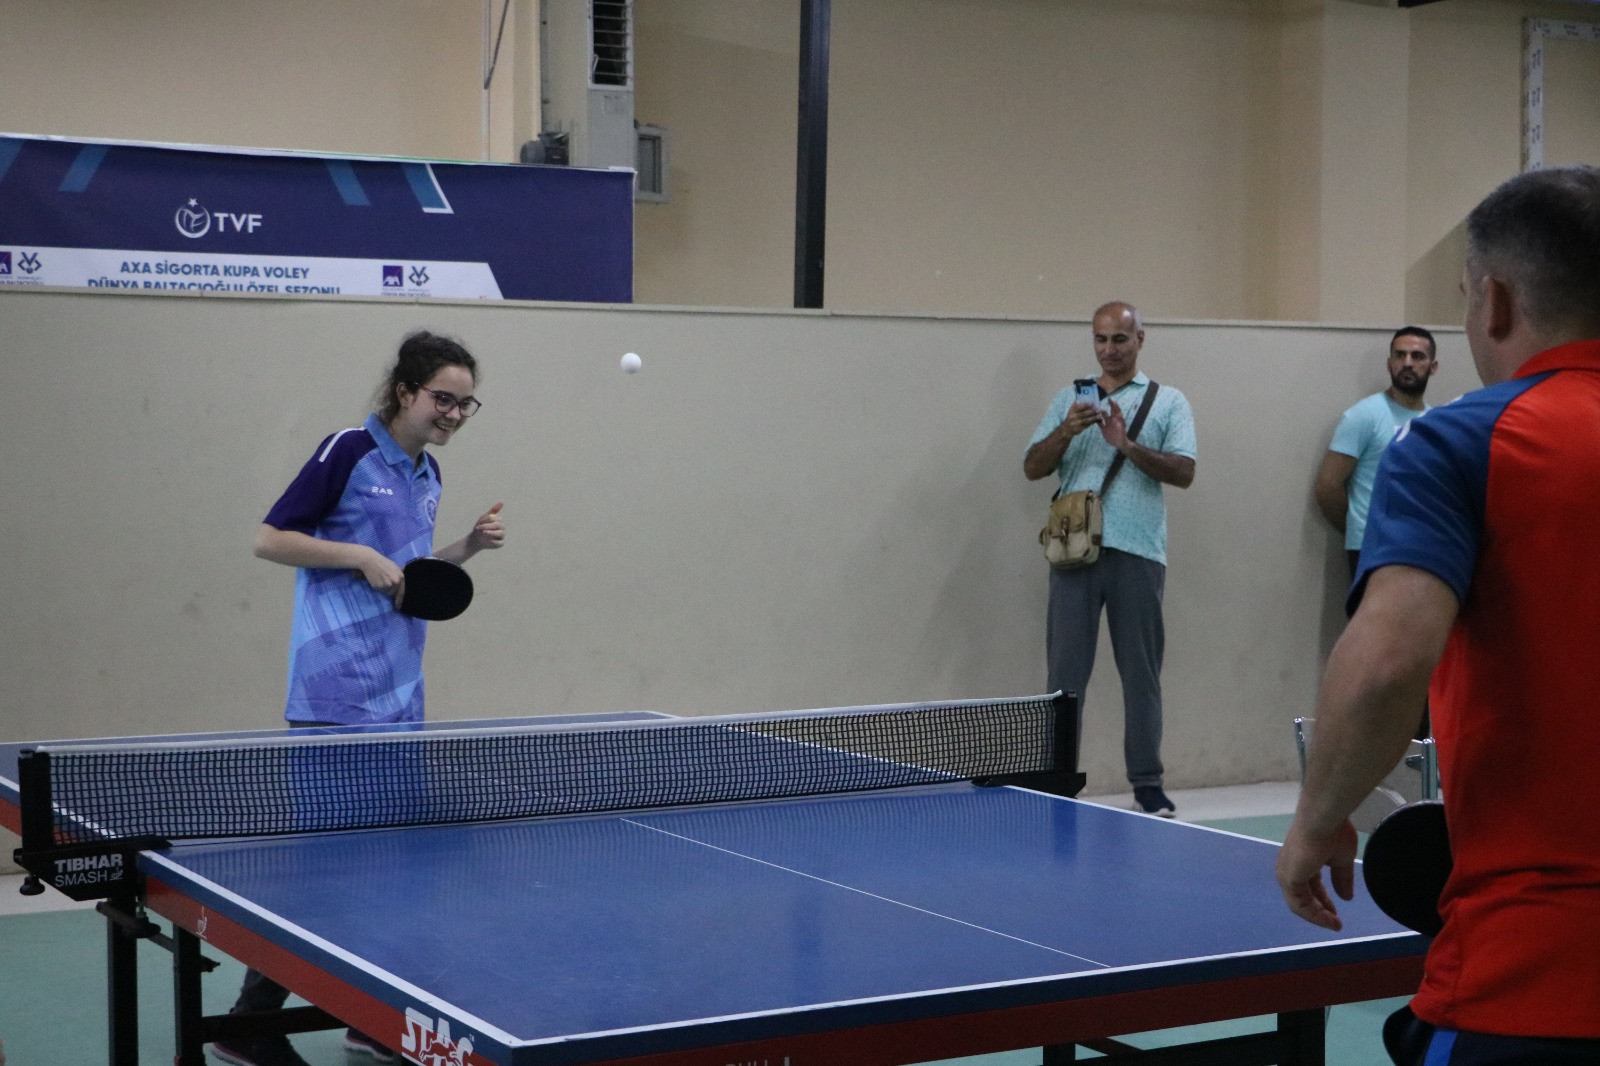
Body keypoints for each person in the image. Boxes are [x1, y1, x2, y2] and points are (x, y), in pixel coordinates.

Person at [1277, 165, 1600, 1063]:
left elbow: (1388, 662)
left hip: (1535, 978)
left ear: (1493, 300)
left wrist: (1316, 820)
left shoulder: (1459, 440)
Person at [214, 331, 506, 1066]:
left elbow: (410, 575)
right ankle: (247, 1027)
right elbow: (269, 539)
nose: (454, 414)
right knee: (327, 874)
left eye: (465, 403)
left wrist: (466, 548)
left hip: (400, 697)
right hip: (334, 695)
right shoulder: (349, 451)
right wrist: (357, 553)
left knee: (393, 867)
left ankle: (367, 1018)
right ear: (405, 391)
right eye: (443, 399)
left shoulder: (428, 473)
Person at [1025, 302, 1197, 817]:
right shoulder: (1069, 400)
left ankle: (1147, 783)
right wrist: (1066, 431)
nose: (1109, 350)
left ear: (1140, 339)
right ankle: (1057, 777)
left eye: (1120, 339)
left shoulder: (1168, 401)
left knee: (1141, 672)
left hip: (1137, 551)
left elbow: (1184, 472)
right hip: (1073, 552)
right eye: (1101, 339)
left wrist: (1126, 445)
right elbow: (1032, 467)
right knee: (1064, 677)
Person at [1313, 327, 1438, 579]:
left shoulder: (1436, 421)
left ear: (1432, 367)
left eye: (1417, 356)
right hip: (1372, 550)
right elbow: (1327, 486)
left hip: (1420, 548)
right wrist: (1360, 529)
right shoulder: (1365, 415)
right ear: (1389, 364)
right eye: (1400, 355)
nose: (1408, 363)